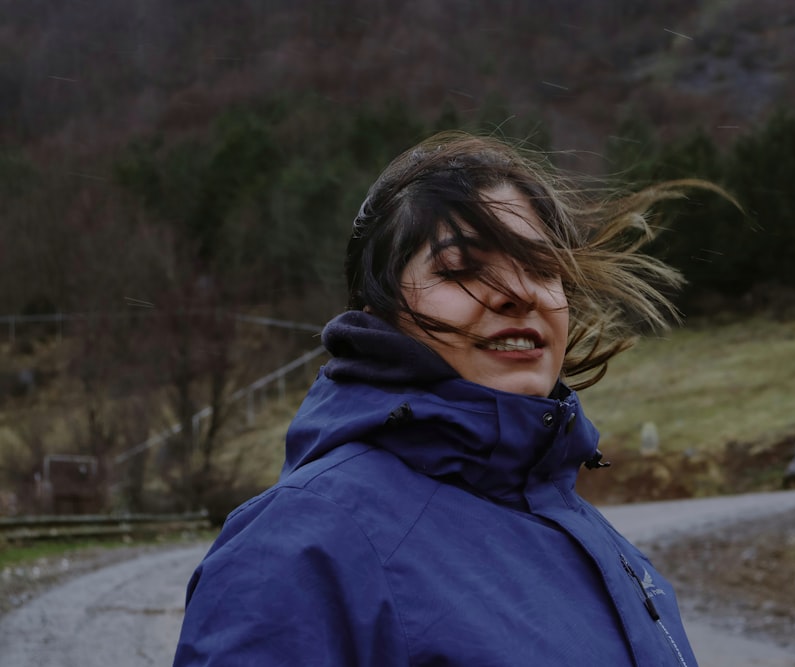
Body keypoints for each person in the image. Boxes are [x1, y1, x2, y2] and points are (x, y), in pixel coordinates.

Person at [174, 131, 707, 666]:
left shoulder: (596, 540)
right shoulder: (302, 546)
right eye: (460, 269)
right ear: (378, 313)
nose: (521, 293)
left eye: (543, 269)